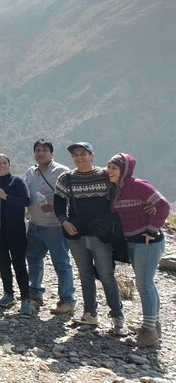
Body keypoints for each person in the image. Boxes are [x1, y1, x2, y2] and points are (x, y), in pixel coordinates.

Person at [54, 142, 126, 334]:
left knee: (106, 276)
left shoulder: (105, 175)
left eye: (83, 154)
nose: (79, 157)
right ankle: (90, 314)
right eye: (75, 155)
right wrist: (63, 221)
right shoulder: (66, 178)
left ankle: (117, 316)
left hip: (100, 236)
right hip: (75, 234)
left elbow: (121, 192)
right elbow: (58, 204)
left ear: (92, 155)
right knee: (85, 274)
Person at [107, 153, 171, 347]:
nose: (110, 171)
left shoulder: (138, 185)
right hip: (133, 241)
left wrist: (152, 229)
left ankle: (148, 331)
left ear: (125, 170)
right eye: (109, 167)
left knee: (143, 284)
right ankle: (153, 325)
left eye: (114, 168)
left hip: (148, 241)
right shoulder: (116, 190)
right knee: (146, 283)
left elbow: (163, 205)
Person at [24, 139, 76, 315]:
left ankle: (67, 300)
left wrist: (55, 207)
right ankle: (35, 292)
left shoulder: (62, 172)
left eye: (44, 150)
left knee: (61, 263)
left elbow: (73, 198)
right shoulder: (31, 172)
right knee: (33, 259)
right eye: (37, 150)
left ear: (51, 153)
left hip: (55, 226)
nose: (40, 153)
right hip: (34, 224)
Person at [0, 154, 32, 316]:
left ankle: (26, 298)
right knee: (3, 263)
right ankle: (8, 294)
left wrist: (7, 197)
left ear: (9, 164)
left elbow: (26, 201)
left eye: (5, 162)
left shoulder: (17, 181)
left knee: (19, 264)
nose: (2, 165)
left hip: (16, 230)